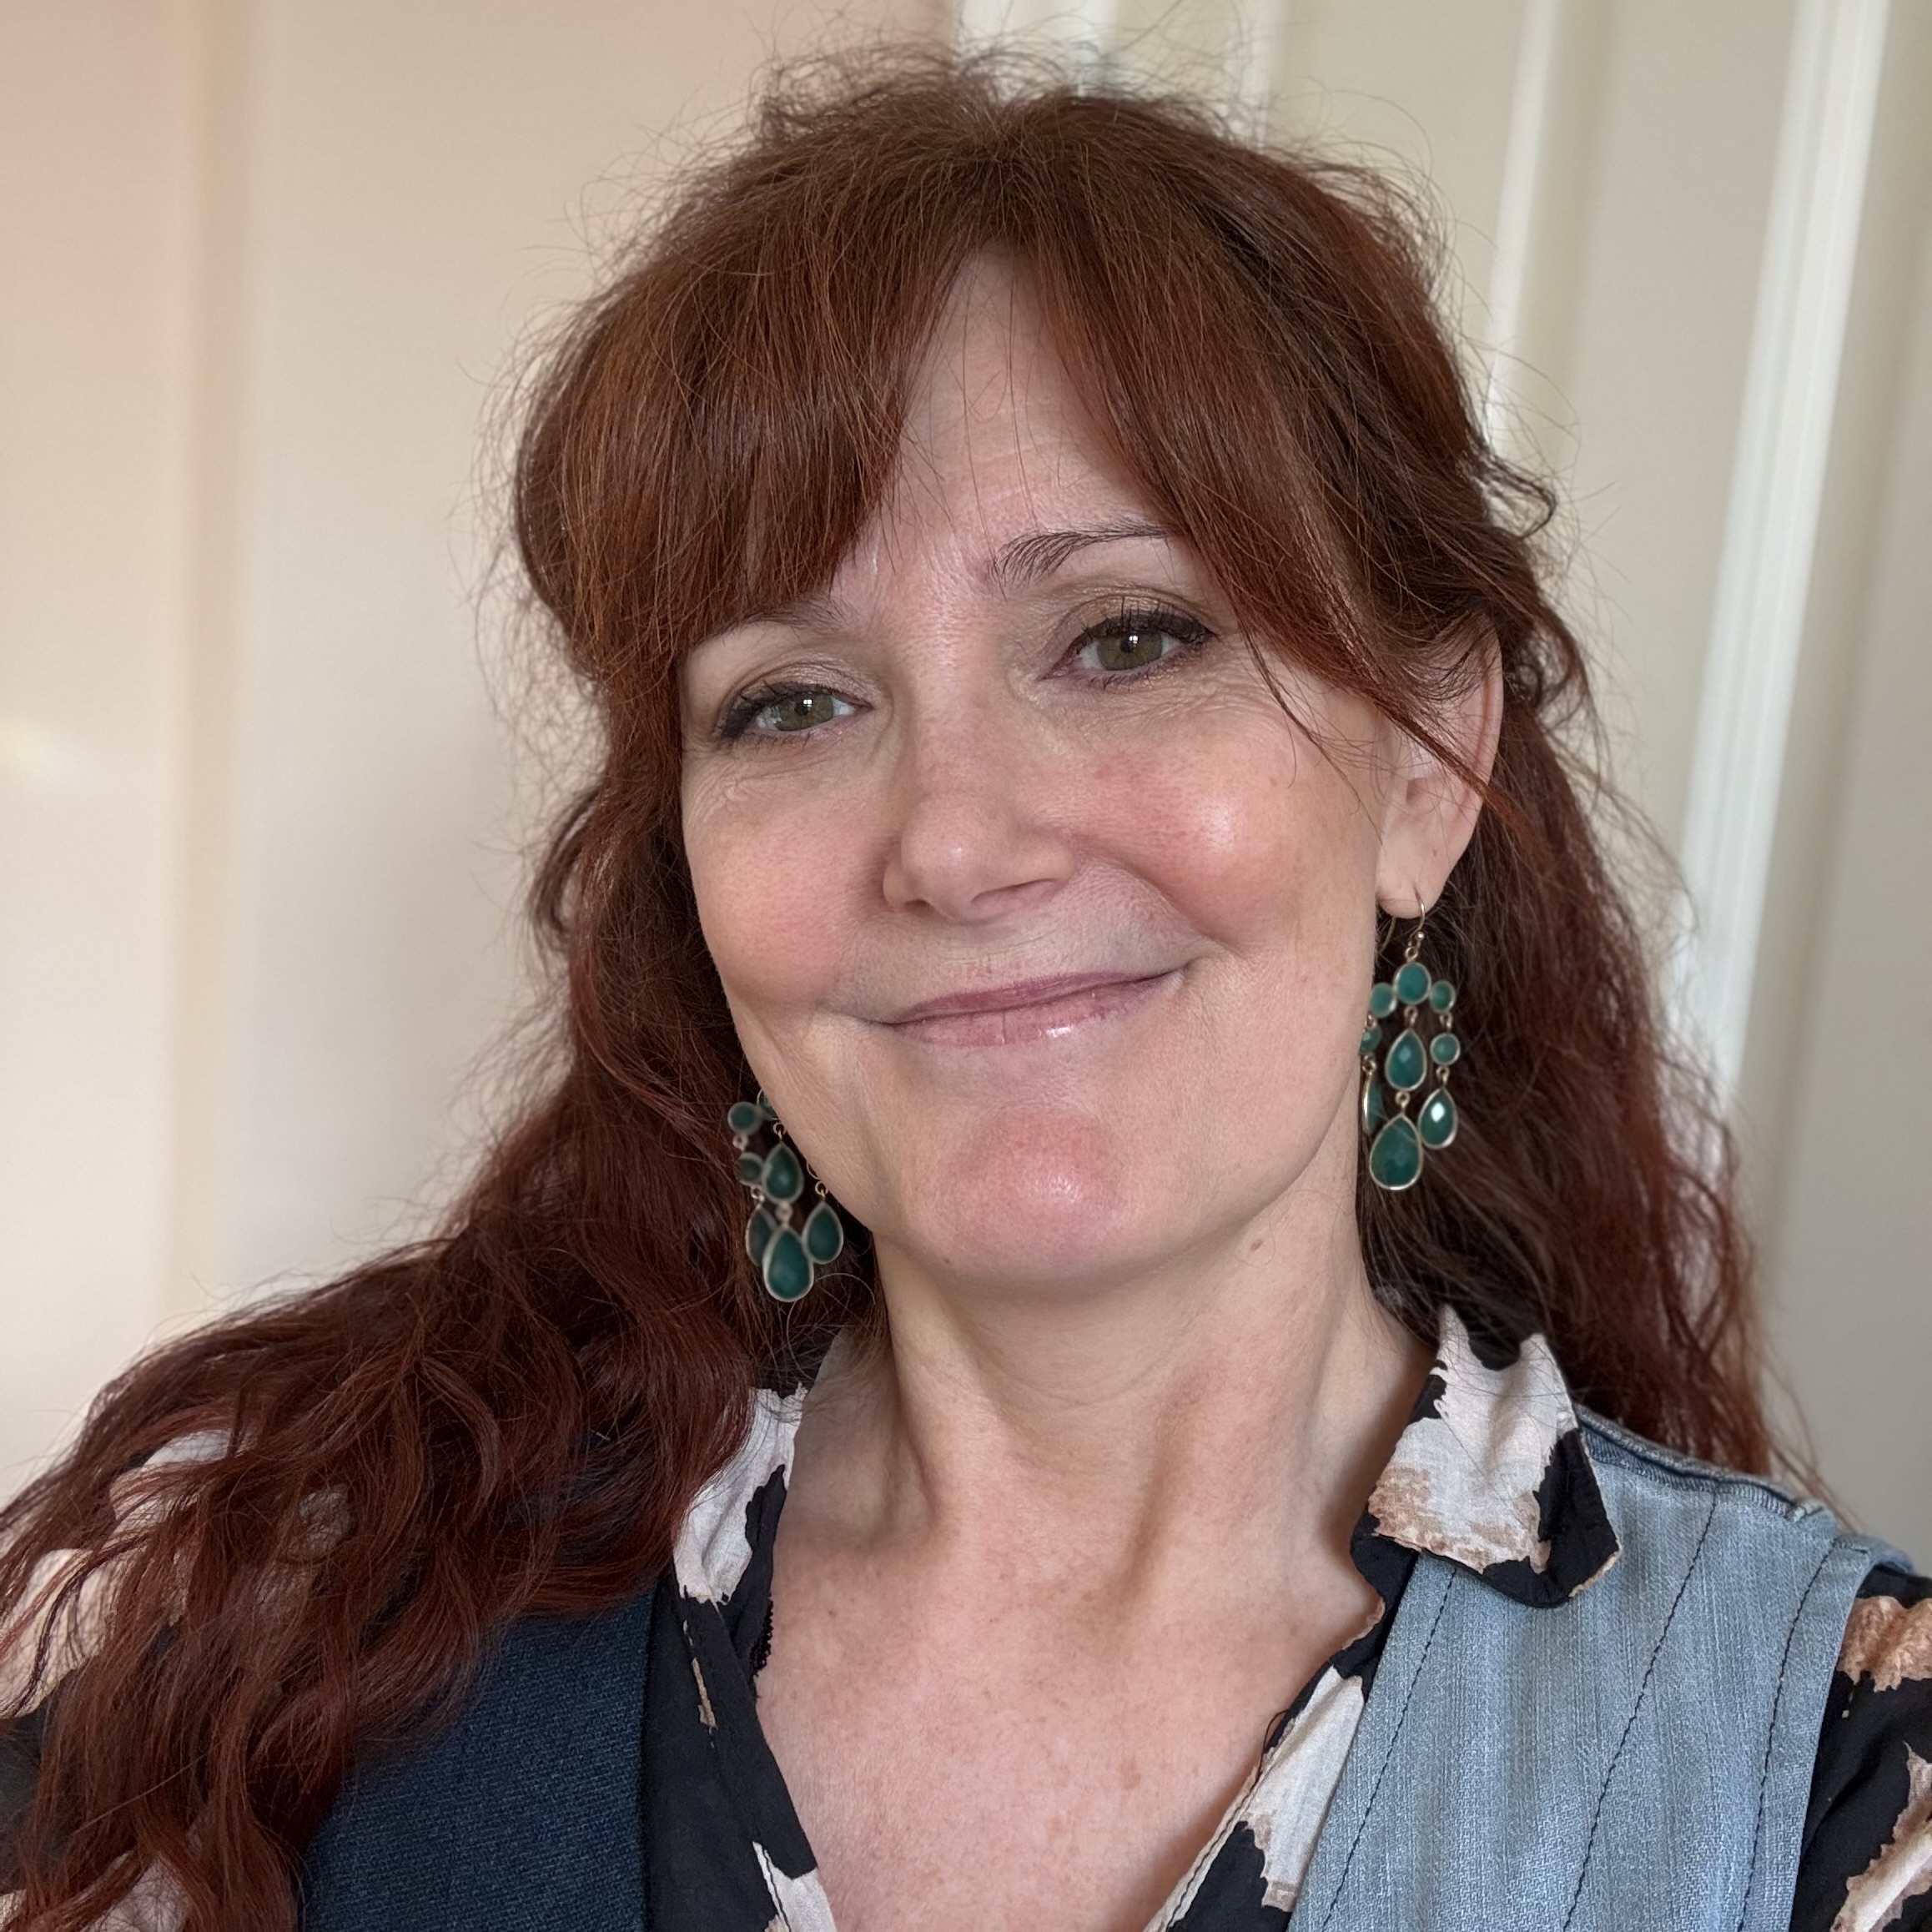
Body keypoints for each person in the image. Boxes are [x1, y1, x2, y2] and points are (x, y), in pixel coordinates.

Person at [2, 52, 1927, 1932]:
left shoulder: (1828, 1783)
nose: (954, 840)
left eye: (1128, 638)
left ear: (1429, 765)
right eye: (793, 701)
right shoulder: (332, 1649)